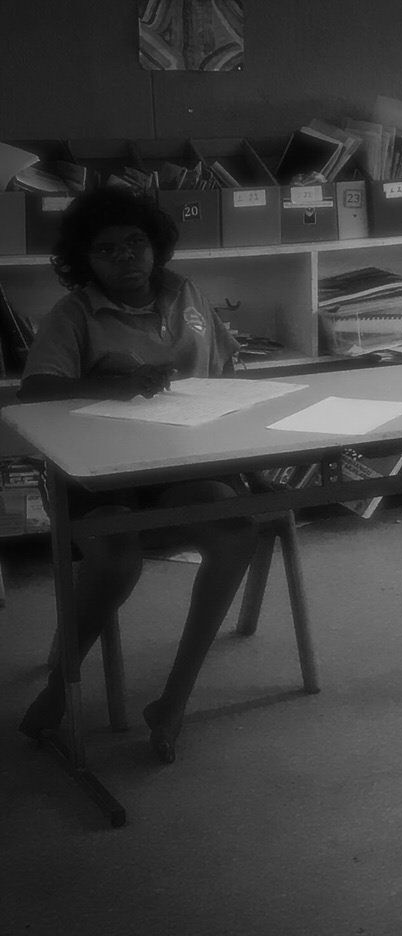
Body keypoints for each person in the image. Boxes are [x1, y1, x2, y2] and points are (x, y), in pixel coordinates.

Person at [16, 188, 258, 763]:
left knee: (235, 532)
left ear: (156, 247)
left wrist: (250, 457)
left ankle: (173, 699)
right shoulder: (74, 313)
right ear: (86, 261)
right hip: (101, 479)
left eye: (136, 243)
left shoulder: (188, 293)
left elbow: (225, 374)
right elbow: (35, 391)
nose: (126, 258)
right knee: (117, 553)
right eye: (107, 250)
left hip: (184, 462)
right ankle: (60, 687)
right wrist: (112, 385)